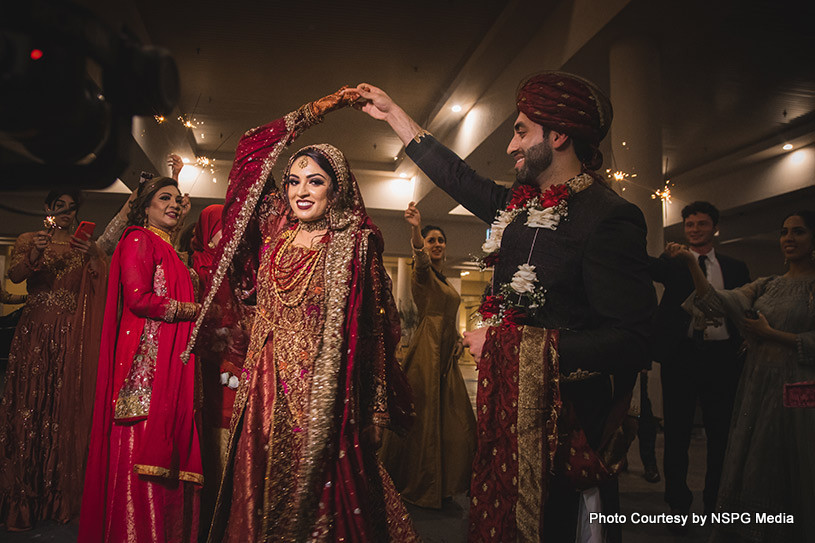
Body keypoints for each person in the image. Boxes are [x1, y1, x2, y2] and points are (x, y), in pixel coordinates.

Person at [354, 73, 656, 543]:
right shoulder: (516, 207)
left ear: (557, 136)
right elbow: (456, 176)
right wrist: (394, 114)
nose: (512, 145)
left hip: (568, 423)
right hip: (507, 412)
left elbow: (634, 340)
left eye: (520, 131)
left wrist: (508, 346)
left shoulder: (609, 216)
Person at [197, 89, 418, 542]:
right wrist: (317, 109)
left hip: (326, 393)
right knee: (256, 494)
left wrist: (374, 408)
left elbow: (374, 332)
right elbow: (249, 151)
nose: (301, 191)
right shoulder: (275, 238)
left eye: (314, 181)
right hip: (263, 390)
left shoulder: (353, 243)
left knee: (325, 499)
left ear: (335, 187)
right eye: (293, 181)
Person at [666, 210, 815, 542]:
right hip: (758, 384)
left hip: (800, 387)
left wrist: (771, 334)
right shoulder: (767, 285)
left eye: (799, 232)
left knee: (795, 460)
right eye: (784, 232)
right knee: (757, 458)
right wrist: (692, 264)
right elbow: (716, 303)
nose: (789, 238)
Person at [78, 177, 202, 543]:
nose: (175, 205)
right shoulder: (138, 239)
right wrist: (193, 310)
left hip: (173, 365)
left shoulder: (174, 252)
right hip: (145, 370)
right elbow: (139, 299)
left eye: (178, 200)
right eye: (164, 198)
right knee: (143, 448)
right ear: (144, 206)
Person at [0, 191, 106, 530]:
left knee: (63, 408)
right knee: (30, 404)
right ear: (47, 210)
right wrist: (35, 252)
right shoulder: (30, 238)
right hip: (34, 331)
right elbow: (15, 277)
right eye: (57, 207)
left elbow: (99, 284)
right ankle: (23, 498)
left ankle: (59, 495)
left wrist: (95, 257)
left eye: (70, 208)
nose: (64, 213)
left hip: (71, 333)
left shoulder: (83, 246)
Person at [649, 201, 750, 522]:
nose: (695, 230)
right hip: (681, 355)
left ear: (714, 227)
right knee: (677, 432)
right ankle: (678, 503)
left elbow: (743, 310)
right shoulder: (675, 263)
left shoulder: (734, 267)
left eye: (702, 224)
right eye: (690, 224)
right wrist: (668, 256)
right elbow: (650, 270)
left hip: (722, 358)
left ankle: (715, 501)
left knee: (720, 433)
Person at [379, 203, 476, 509]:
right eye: (432, 240)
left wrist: (457, 341)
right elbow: (419, 261)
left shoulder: (446, 280)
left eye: (440, 240)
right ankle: (421, 482)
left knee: (455, 420)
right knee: (425, 419)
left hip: (445, 354)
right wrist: (416, 230)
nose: (436, 245)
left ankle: (444, 483)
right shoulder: (424, 275)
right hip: (427, 352)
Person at [189, 204, 252, 531]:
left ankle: (232, 512)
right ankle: (209, 511)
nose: (226, 234)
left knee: (235, 422)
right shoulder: (194, 264)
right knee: (210, 422)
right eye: (220, 227)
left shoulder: (240, 265)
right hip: (206, 360)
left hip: (237, 357)